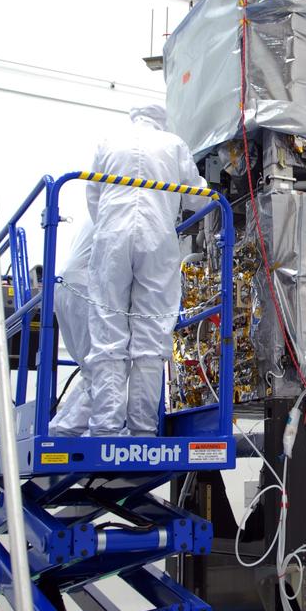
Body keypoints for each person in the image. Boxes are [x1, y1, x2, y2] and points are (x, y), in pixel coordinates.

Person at [85, 103, 204, 436]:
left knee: (108, 331)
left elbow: (93, 195)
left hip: (111, 237)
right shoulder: (174, 144)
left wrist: (109, 229)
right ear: (161, 121)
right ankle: (142, 430)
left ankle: (105, 429)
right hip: (156, 239)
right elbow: (198, 197)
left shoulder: (108, 140)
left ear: (133, 116)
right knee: (151, 336)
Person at [49, 217, 94, 436]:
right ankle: (70, 431)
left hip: (67, 288)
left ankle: (59, 428)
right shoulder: (124, 207)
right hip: (85, 290)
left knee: (91, 370)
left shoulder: (100, 206)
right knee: (105, 369)